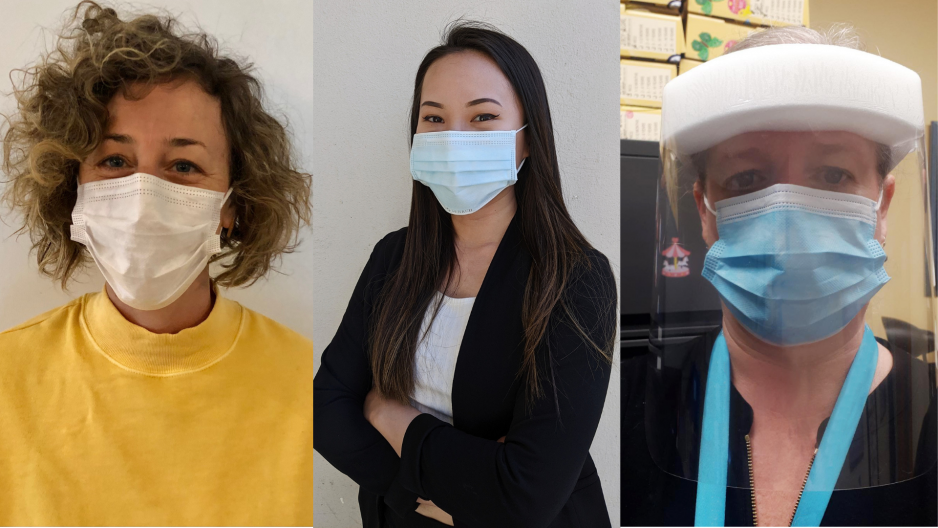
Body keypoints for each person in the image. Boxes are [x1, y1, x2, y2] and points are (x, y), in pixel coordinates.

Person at [0, 2, 314, 524]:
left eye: (184, 165)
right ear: (71, 187)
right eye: (115, 161)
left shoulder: (306, 382)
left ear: (234, 206)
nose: (144, 196)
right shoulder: (8, 379)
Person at [621, 26, 937, 526]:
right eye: (748, 179)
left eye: (833, 175)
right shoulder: (620, 409)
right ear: (705, 210)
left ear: (883, 205)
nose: (790, 227)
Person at [314, 22, 617, 528]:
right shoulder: (394, 257)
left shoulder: (576, 278)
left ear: (527, 141)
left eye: (483, 117)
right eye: (434, 118)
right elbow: (325, 410)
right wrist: (415, 494)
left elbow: (525, 495)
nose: (454, 137)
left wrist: (391, 416)